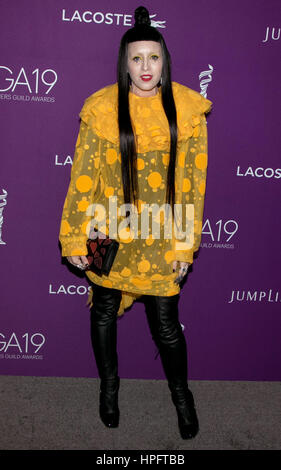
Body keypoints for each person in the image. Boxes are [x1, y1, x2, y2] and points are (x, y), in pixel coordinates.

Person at [59, 6, 212, 440]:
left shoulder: (185, 108)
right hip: (107, 229)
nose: (145, 67)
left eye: (153, 57)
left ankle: (182, 395)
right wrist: (74, 231)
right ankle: (109, 389)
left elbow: (192, 184)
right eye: (136, 58)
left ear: (164, 60)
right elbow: (82, 175)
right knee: (104, 310)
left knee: (166, 323)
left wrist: (185, 245)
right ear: (124, 64)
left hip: (163, 231)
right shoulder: (103, 108)